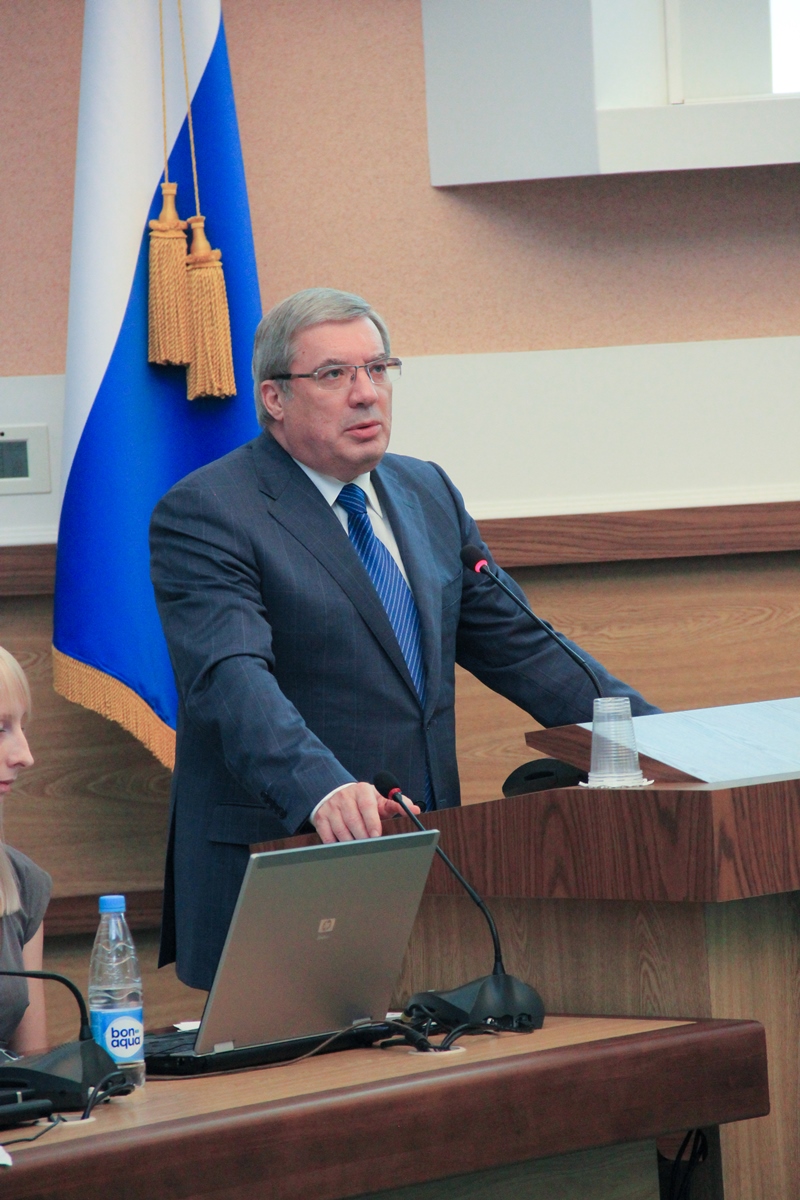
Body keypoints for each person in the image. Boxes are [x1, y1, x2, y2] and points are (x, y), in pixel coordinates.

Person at [150, 288, 659, 990]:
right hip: (289, 850)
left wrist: (666, 743)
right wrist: (323, 788)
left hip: (432, 856)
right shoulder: (210, 511)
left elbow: (525, 648)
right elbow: (231, 677)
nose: (365, 393)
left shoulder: (426, 491)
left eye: (378, 368)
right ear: (274, 398)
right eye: (334, 374)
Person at [0, 646, 51, 1054]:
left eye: (20, 726)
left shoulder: (22, 882)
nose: (24, 756)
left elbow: (35, 1073)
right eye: (0, 728)